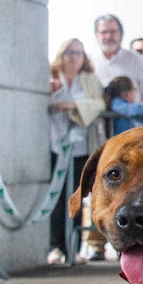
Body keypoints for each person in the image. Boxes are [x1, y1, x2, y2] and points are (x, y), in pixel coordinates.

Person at [85, 14, 143, 260]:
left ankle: (132, 243)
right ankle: (96, 244)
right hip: (99, 140)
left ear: (121, 34)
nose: (108, 36)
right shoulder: (90, 61)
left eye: (113, 31)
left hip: (131, 143)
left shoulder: (134, 60)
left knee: (134, 192)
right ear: (97, 35)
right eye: (104, 32)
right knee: (101, 191)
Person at [47, 38, 105, 263]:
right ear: (61, 54)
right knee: (55, 199)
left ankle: (73, 247)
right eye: (69, 52)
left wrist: (70, 106)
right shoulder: (51, 78)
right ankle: (55, 246)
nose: (73, 57)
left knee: (75, 198)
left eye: (79, 53)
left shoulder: (89, 80)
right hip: (53, 145)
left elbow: (98, 105)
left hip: (79, 148)